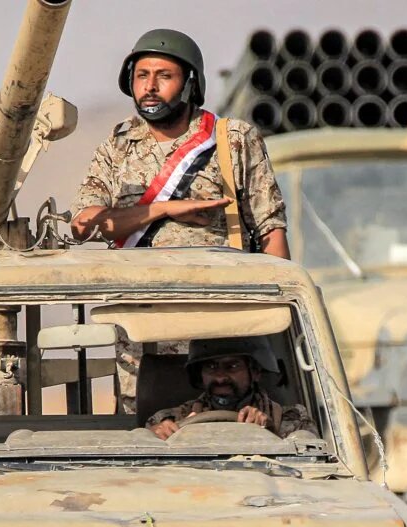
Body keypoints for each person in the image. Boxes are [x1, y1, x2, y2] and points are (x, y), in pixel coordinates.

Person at [72, 30, 291, 415]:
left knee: (227, 432)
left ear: (190, 83)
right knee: (147, 430)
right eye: (142, 76)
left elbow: (271, 232)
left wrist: (277, 326)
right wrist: (164, 210)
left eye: (164, 76)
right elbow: (86, 225)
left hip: (219, 330)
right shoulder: (117, 146)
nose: (150, 87)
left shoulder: (231, 140)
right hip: (141, 330)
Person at [147, 337, 316, 440]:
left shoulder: (292, 419)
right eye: (211, 367)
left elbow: (310, 466)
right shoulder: (168, 419)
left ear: (255, 372)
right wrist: (153, 436)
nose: (220, 377)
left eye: (232, 366)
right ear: (200, 374)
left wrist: (271, 432)